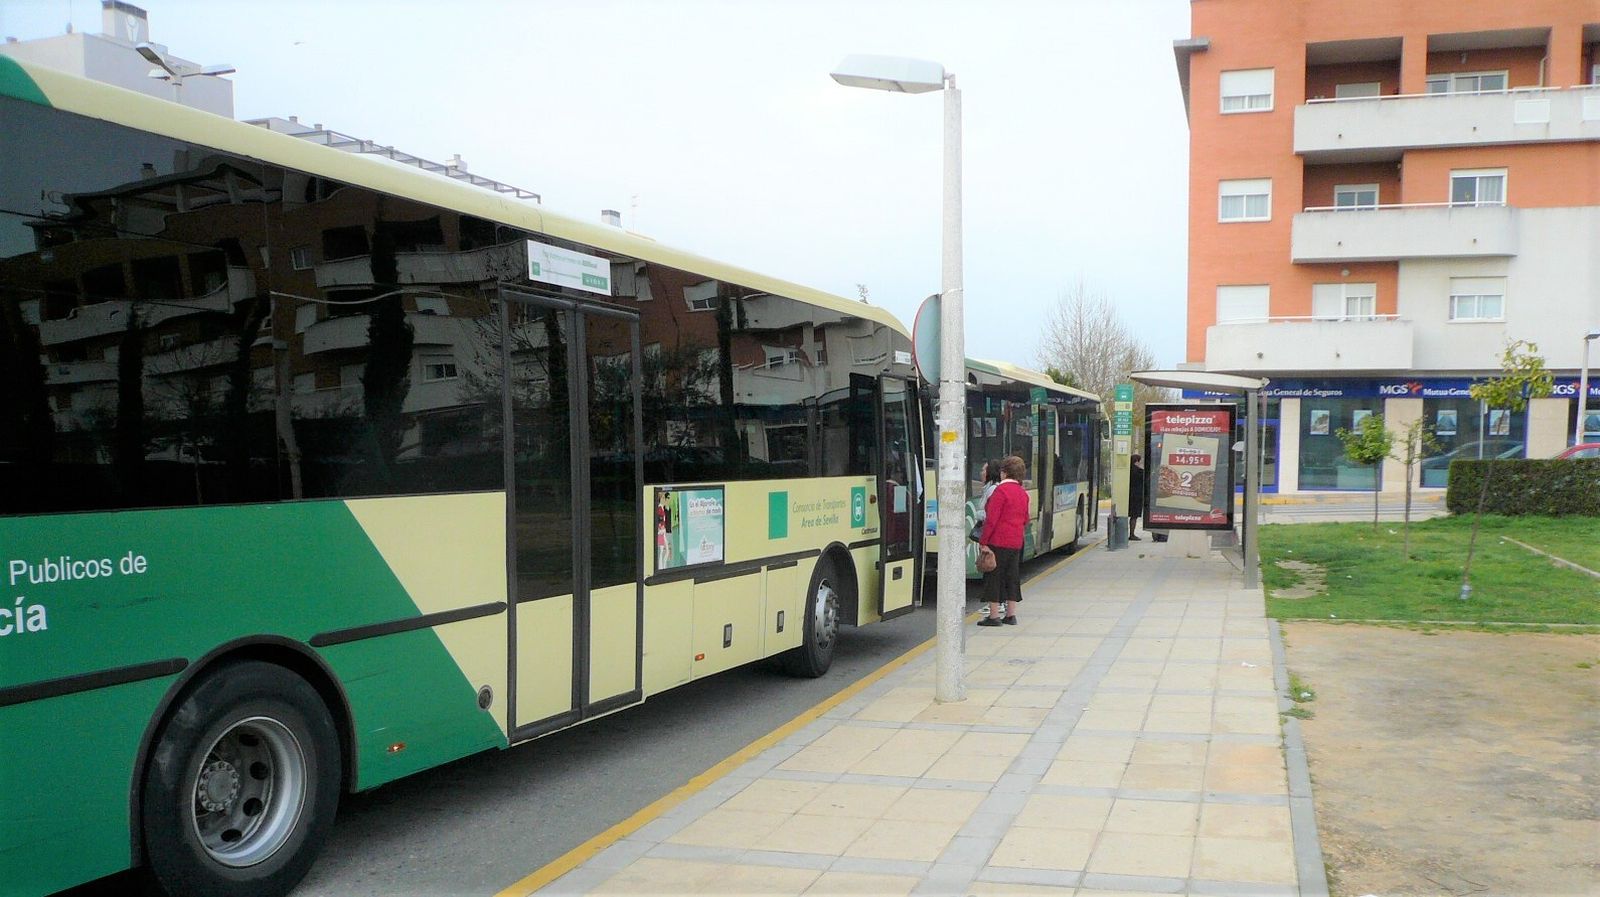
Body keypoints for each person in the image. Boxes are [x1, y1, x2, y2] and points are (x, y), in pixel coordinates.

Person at [978, 455, 1029, 626]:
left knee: (994, 576)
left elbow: (992, 520)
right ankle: (1011, 615)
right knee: (1012, 576)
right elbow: (1025, 519)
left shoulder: (1001, 492)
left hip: (998, 540)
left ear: (1004, 472)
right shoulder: (1023, 493)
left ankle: (994, 616)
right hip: (1016, 541)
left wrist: (983, 541)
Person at [971, 459, 1002, 617]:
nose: (981, 473)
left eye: (984, 470)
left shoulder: (993, 490)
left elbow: (989, 514)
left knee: (991, 569)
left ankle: (995, 607)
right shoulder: (988, 488)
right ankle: (994, 606)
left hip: (992, 536)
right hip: (992, 535)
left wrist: (984, 541)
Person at [1128, 454, 1146, 541]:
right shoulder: (1139, 471)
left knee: (1130, 515)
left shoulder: (1127, 470)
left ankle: (1129, 534)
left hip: (1128, 495)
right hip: (1137, 496)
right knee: (1134, 516)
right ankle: (1132, 534)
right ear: (1137, 461)